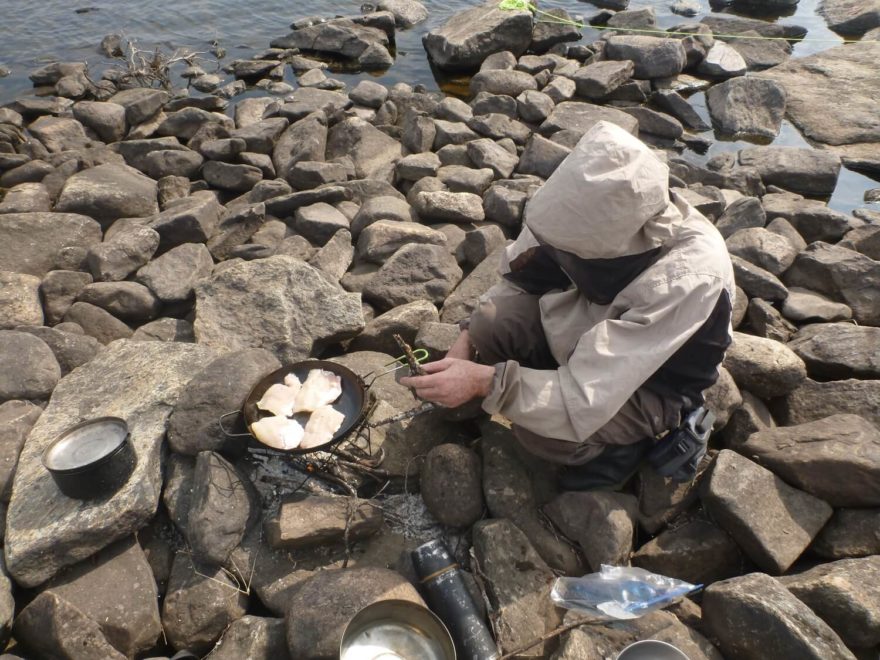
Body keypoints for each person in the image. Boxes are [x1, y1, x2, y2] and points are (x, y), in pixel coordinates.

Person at [401, 121, 735, 489]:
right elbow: (517, 278)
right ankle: (537, 387)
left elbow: (586, 396)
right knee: (488, 322)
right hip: (585, 328)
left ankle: (620, 453)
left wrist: (486, 383)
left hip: (651, 382)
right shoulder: (573, 207)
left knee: (540, 432)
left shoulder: (688, 277)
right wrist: (467, 338)